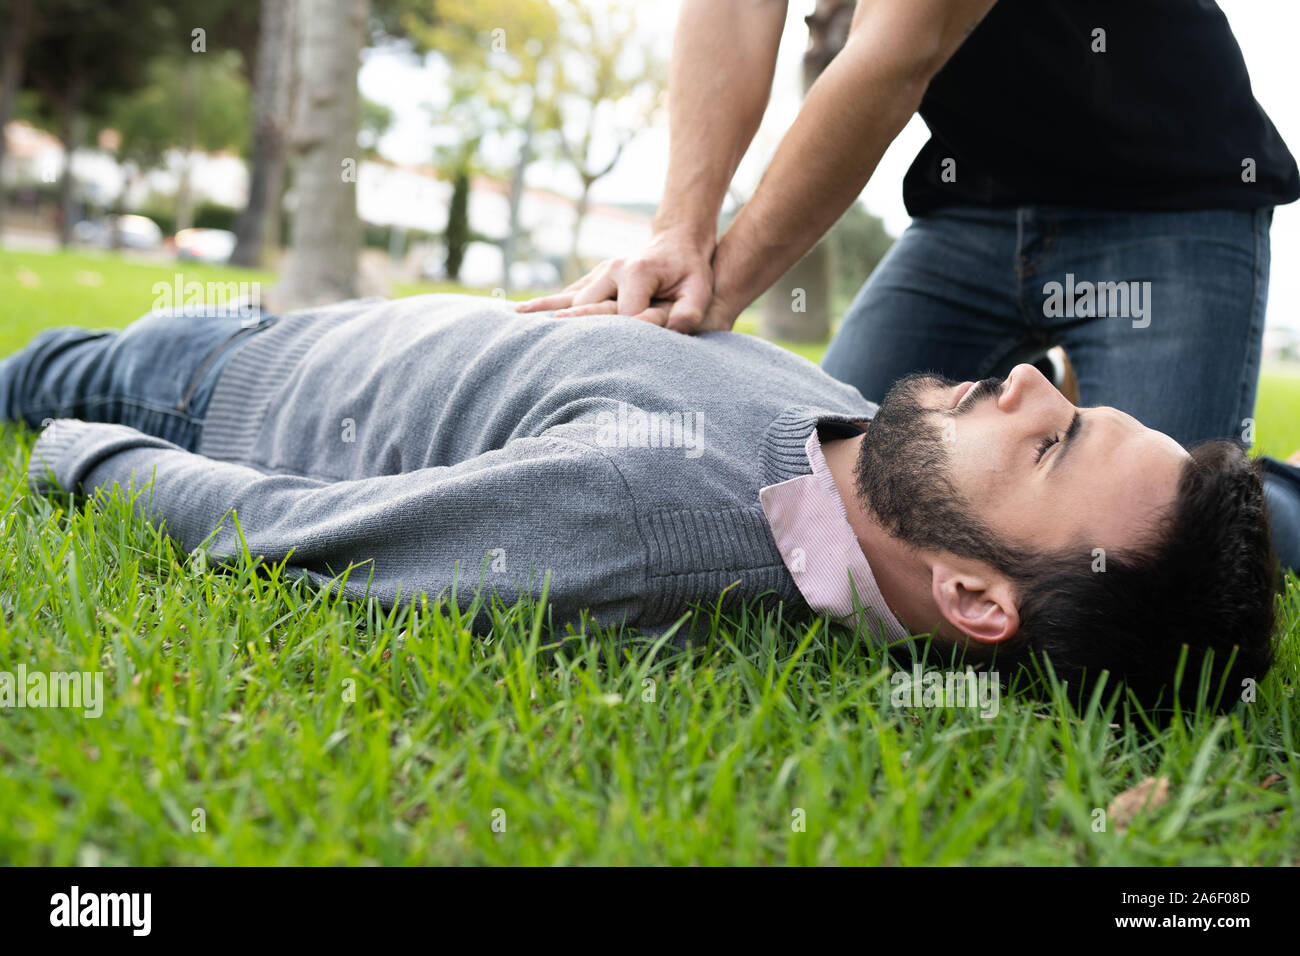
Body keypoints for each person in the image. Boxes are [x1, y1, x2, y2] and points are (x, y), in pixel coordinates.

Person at [0, 294, 1278, 711]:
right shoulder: (859, 452)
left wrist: (80, 452)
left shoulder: (647, 516)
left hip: (213, 385)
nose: (1017, 380)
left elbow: (282, 532)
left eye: (1047, 446)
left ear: (969, 596)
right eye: (1064, 399)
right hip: (312, 326)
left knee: (32, 364)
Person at [515, 0, 1300, 573]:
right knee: (826, 467)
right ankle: (1052, 399)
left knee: (1156, 533)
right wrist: (679, 233)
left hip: (1169, 195)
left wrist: (716, 295)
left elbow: (898, 47)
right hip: (975, 206)